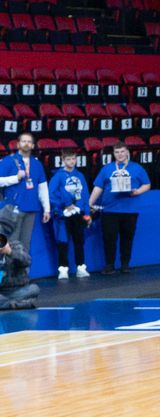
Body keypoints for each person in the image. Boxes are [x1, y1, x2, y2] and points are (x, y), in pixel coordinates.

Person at [88, 142, 150, 275]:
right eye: (117, 152)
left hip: (130, 209)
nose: (120, 154)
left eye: (122, 151)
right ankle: (109, 265)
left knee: (127, 237)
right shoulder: (107, 168)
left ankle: (125, 265)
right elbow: (98, 187)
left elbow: (147, 184)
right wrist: (89, 204)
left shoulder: (137, 168)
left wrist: (137, 192)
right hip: (110, 209)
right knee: (109, 238)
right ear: (114, 154)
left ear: (127, 152)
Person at [0, 132, 49, 276]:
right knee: (12, 242)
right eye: (23, 141)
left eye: (29, 142)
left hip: (31, 208)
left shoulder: (37, 164)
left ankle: (22, 276)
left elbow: (42, 187)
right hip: (12, 208)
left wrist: (46, 209)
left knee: (25, 244)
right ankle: (9, 276)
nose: (26, 144)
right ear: (18, 144)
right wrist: (15, 178)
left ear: (33, 146)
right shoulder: (8, 161)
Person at [47, 148, 90, 279]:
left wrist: (86, 213)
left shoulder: (80, 175)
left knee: (79, 240)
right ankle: (63, 269)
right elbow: (51, 194)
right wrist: (64, 204)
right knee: (63, 241)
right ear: (63, 160)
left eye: (74, 158)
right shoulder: (58, 176)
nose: (72, 161)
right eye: (68, 159)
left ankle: (80, 267)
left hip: (78, 213)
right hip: (63, 215)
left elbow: (85, 195)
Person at [0, 205, 38, 310]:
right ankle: (18, 304)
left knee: (33, 289)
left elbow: (27, 261)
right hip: (2, 291)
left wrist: (10, 252)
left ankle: (12, 303)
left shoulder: (15, 245)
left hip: (17, 289)